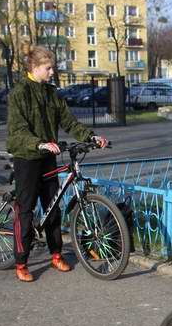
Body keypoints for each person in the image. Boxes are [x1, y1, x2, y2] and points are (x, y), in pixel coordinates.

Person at [6, 46, 109, 282]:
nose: (52, 72)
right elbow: (17, 131)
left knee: (53, 208)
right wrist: (39, 144)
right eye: (48, 68)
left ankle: (55, 254)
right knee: (26, 209)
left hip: (48, 157)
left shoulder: (51, 93)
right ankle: (21, 262)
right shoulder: (19, 93)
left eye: (52, 67)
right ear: (34, 68)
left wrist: (90, 137)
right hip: (27, 156)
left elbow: (69, 121)